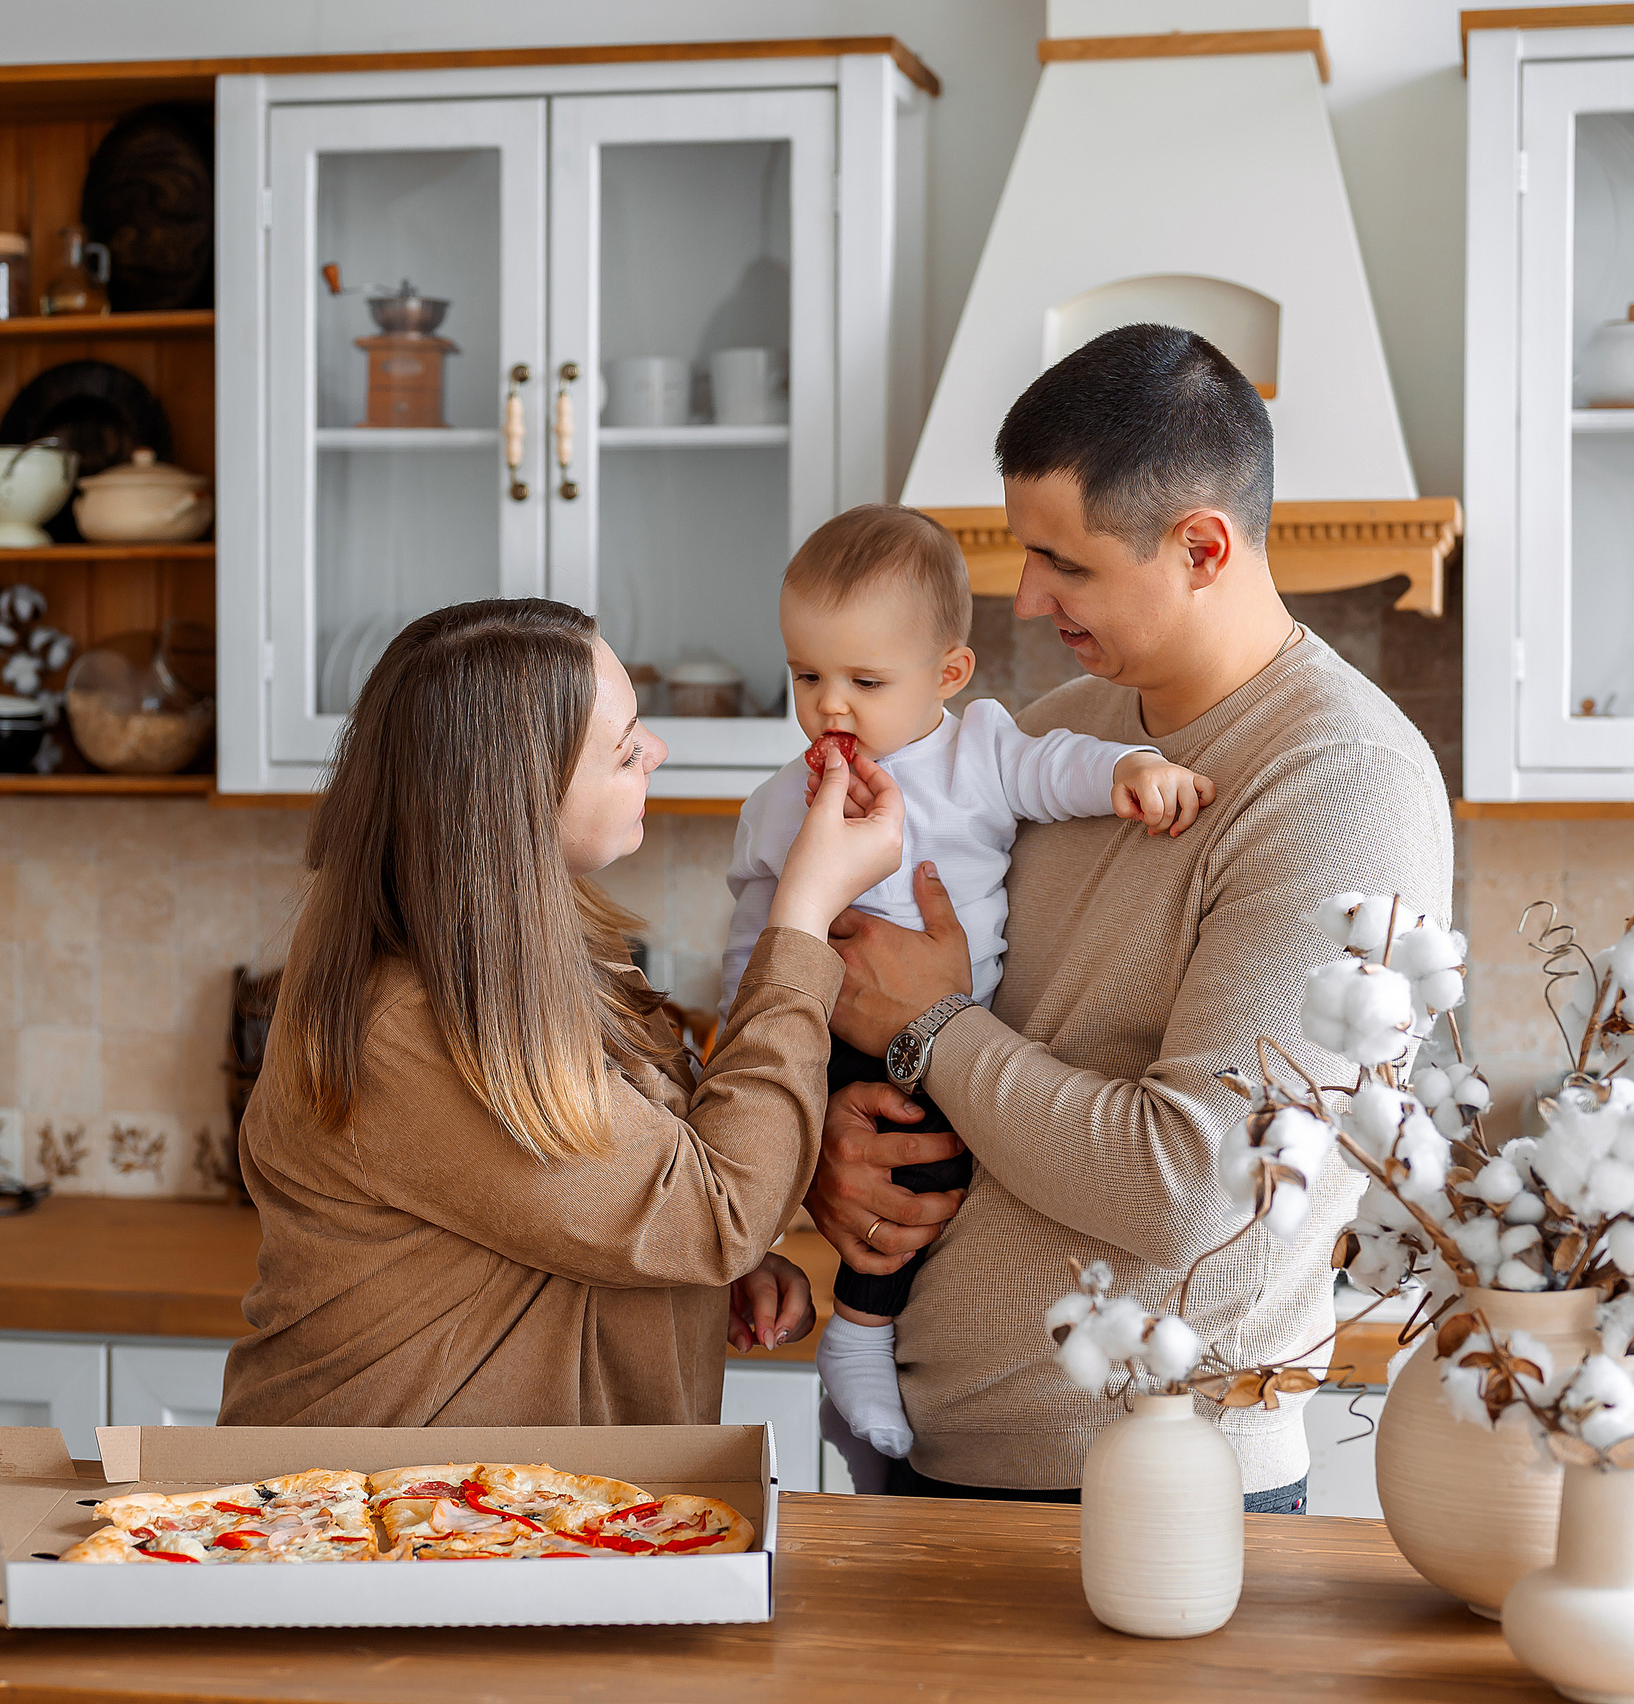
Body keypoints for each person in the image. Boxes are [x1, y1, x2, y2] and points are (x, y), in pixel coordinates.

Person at [806, 324, 1453, 1510]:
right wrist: (838, 1149)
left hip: (1147, 1490)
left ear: (1201, 545)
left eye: (1065, 562)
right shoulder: (1063, 728)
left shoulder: (1340, 781)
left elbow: (1191, 1185)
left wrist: (930, 1029)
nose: (1025, 593)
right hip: (927, 1454)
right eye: (1020, 548)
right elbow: (919, 1016)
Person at [220, 597, 905, 1430]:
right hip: (375, 1527)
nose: (657, 750)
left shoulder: (535, 968)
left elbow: (636, 1203)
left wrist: (702, 1279)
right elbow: (717, 1212)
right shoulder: (410, 1030)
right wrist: (800, 915)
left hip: (504, 1522)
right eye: (624, 752)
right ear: (517, 806)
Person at [718, 504, 1212, 1458]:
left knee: (925, 1166)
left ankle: (860, 1331)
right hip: (817, 1035)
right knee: (769, 1150)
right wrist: (763, 1026)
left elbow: (1051, 770)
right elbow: (755, 936)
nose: (830, 707)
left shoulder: (979, 750)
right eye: (805, 676)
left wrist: (1132, 770)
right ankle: (787, 1288)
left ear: (948, 674)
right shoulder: (780, 803)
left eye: (866, 680)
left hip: (941, 1038)